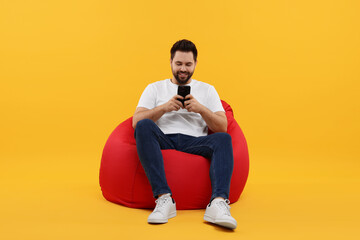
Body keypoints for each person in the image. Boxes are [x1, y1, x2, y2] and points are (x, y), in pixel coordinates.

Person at [132, 39, 237, 229]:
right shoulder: (154, 88)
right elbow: (136, 122)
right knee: (144, 126)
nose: (183, 69)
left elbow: (222, 126)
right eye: (179, 63)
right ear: (171, 62)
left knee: (224, 139)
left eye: (188, 64)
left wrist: (200, 109)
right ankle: (164, 198)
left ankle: (218, 203)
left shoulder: (208, 89)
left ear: (195, 64)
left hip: (195, 142)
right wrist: (164, 108)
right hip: (163, 138)